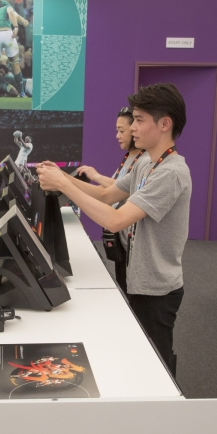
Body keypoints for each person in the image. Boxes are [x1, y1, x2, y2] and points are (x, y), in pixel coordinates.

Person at [36, 83, 191, 378]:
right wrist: (62, 178)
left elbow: (115, 220)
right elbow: (107, 196)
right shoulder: (147, 162)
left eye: (140, 120)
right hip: (138, 275)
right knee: (139, 352)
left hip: (156, 287)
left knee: (155, 362)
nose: (133, 128)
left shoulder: (171, 173)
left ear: (164, 124)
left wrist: (64, 184)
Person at [75, 108, 147, 295]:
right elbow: (108, 192)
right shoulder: (129, 157)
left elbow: (124, 191)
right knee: (123, 287)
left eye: (121, 131)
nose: (117, 136)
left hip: (132, 241)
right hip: (121, 240)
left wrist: (95, 175)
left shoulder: (145, 161)